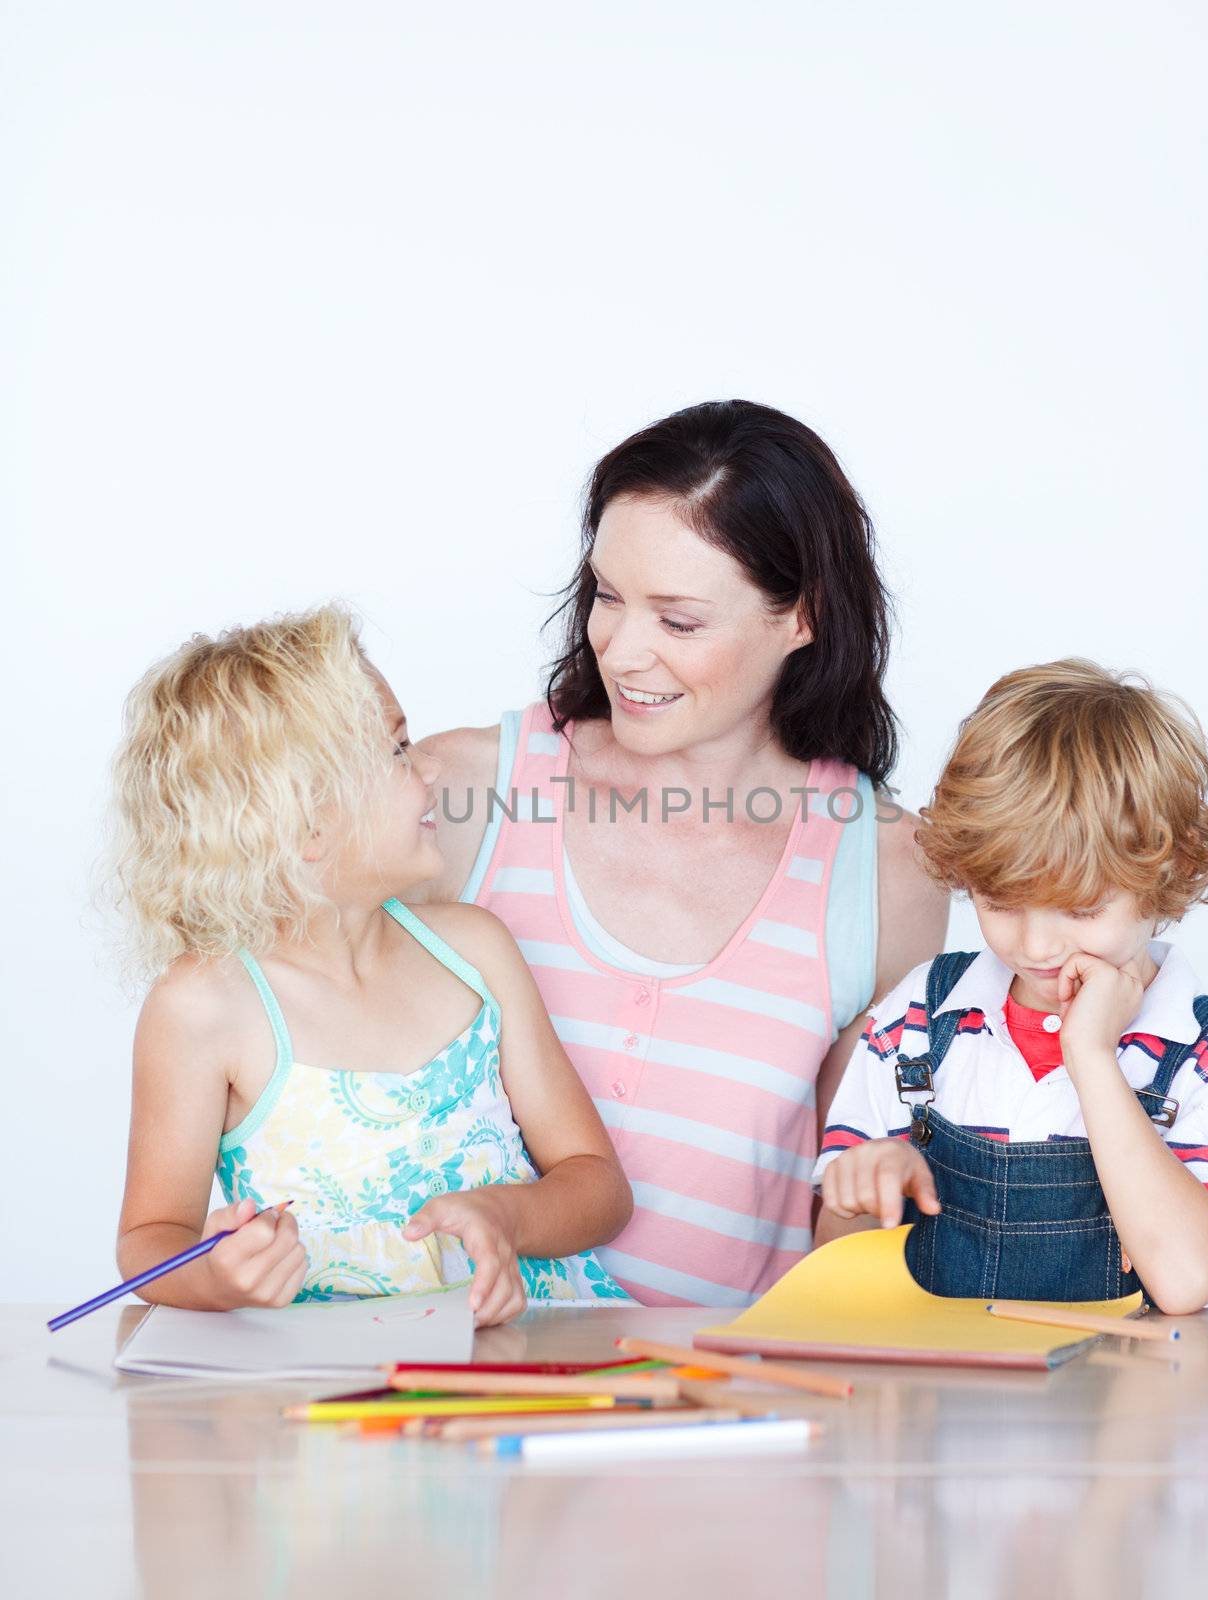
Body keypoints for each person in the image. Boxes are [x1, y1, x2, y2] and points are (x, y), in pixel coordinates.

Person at [415, 399, 948, 1306]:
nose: (622, 651)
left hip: (727, 1415)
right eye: (609, 598)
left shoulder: (887, 868)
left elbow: (852, 1186)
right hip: (461, 1394)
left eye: (681, 620)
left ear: (803, 618)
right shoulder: (462, 793)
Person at [110, 604, 632, 1325]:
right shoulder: (204, 1007)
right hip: (331, 1402)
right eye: (397, 750)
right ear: (307, 820)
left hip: (527, 1362)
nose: (432, 768)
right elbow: (148, 1242)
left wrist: (511, 1217)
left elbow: (599, 1187)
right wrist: (218, 1275)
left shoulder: (475, 952)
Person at [814, 659, 1208, 1313]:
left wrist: (1092, 1059)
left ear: (1169, 871)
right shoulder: (920, 1018)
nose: (1034, 947)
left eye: (1082, 907)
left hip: (1122, 1404)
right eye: (1001, 902)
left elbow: (1183, 1281)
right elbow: (832, 1263)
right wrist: (863, 1192)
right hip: (939, 1394)